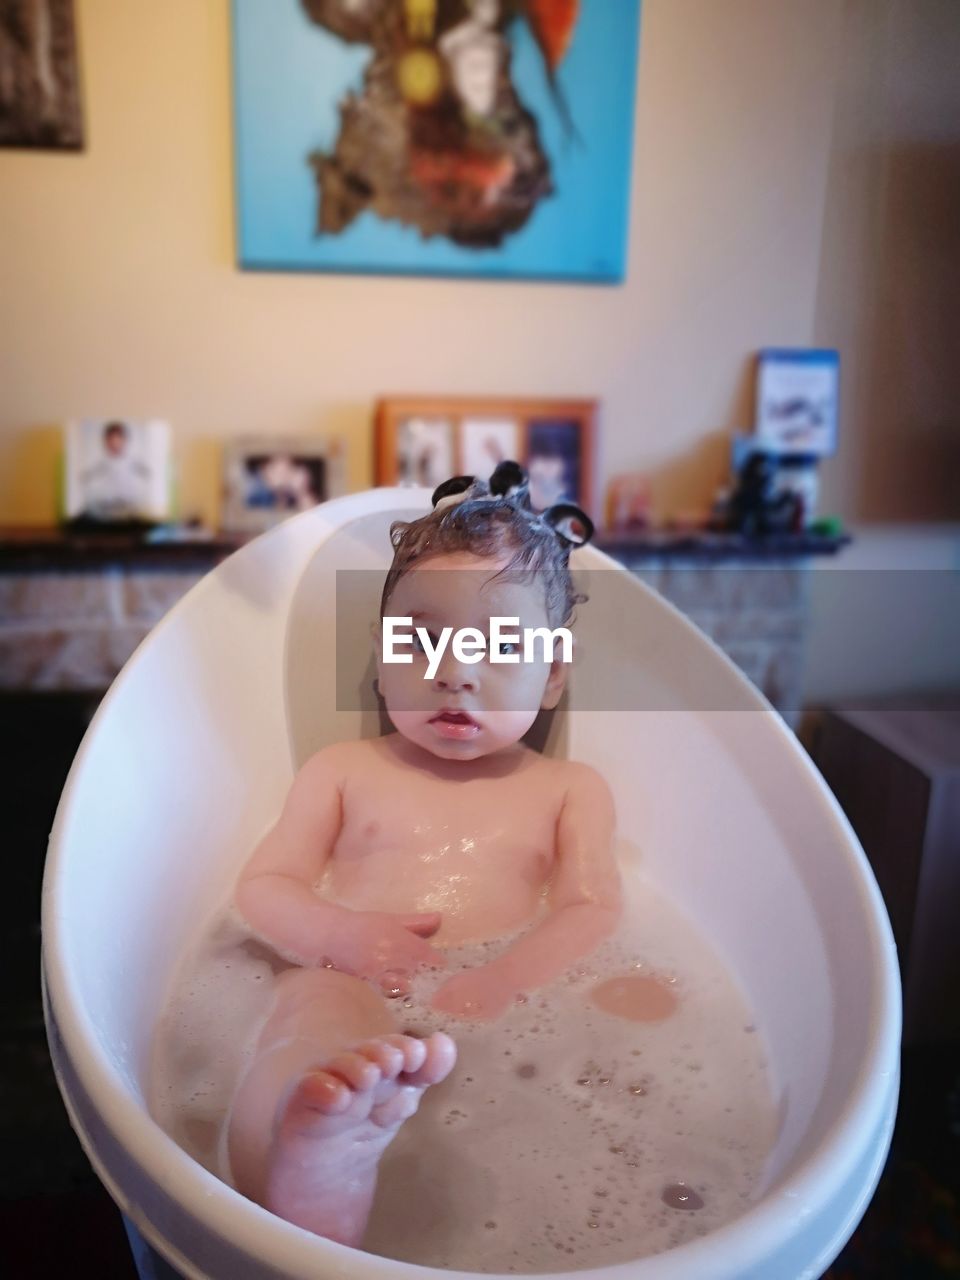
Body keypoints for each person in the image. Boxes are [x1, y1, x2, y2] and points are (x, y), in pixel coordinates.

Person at [226, 462, 620, 1246]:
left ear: (553, 678)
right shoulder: (342, 771)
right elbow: (263, 889)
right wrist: (345, 939)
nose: (454, 673)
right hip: (357, 991)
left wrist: (505, 980)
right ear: (380, 657)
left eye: (501, 645)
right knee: (312, 1019)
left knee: (620, 1037)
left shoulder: (570, 788)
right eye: (423, 641)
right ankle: (309, 1150)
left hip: (513, 1015)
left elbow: (592, 908)